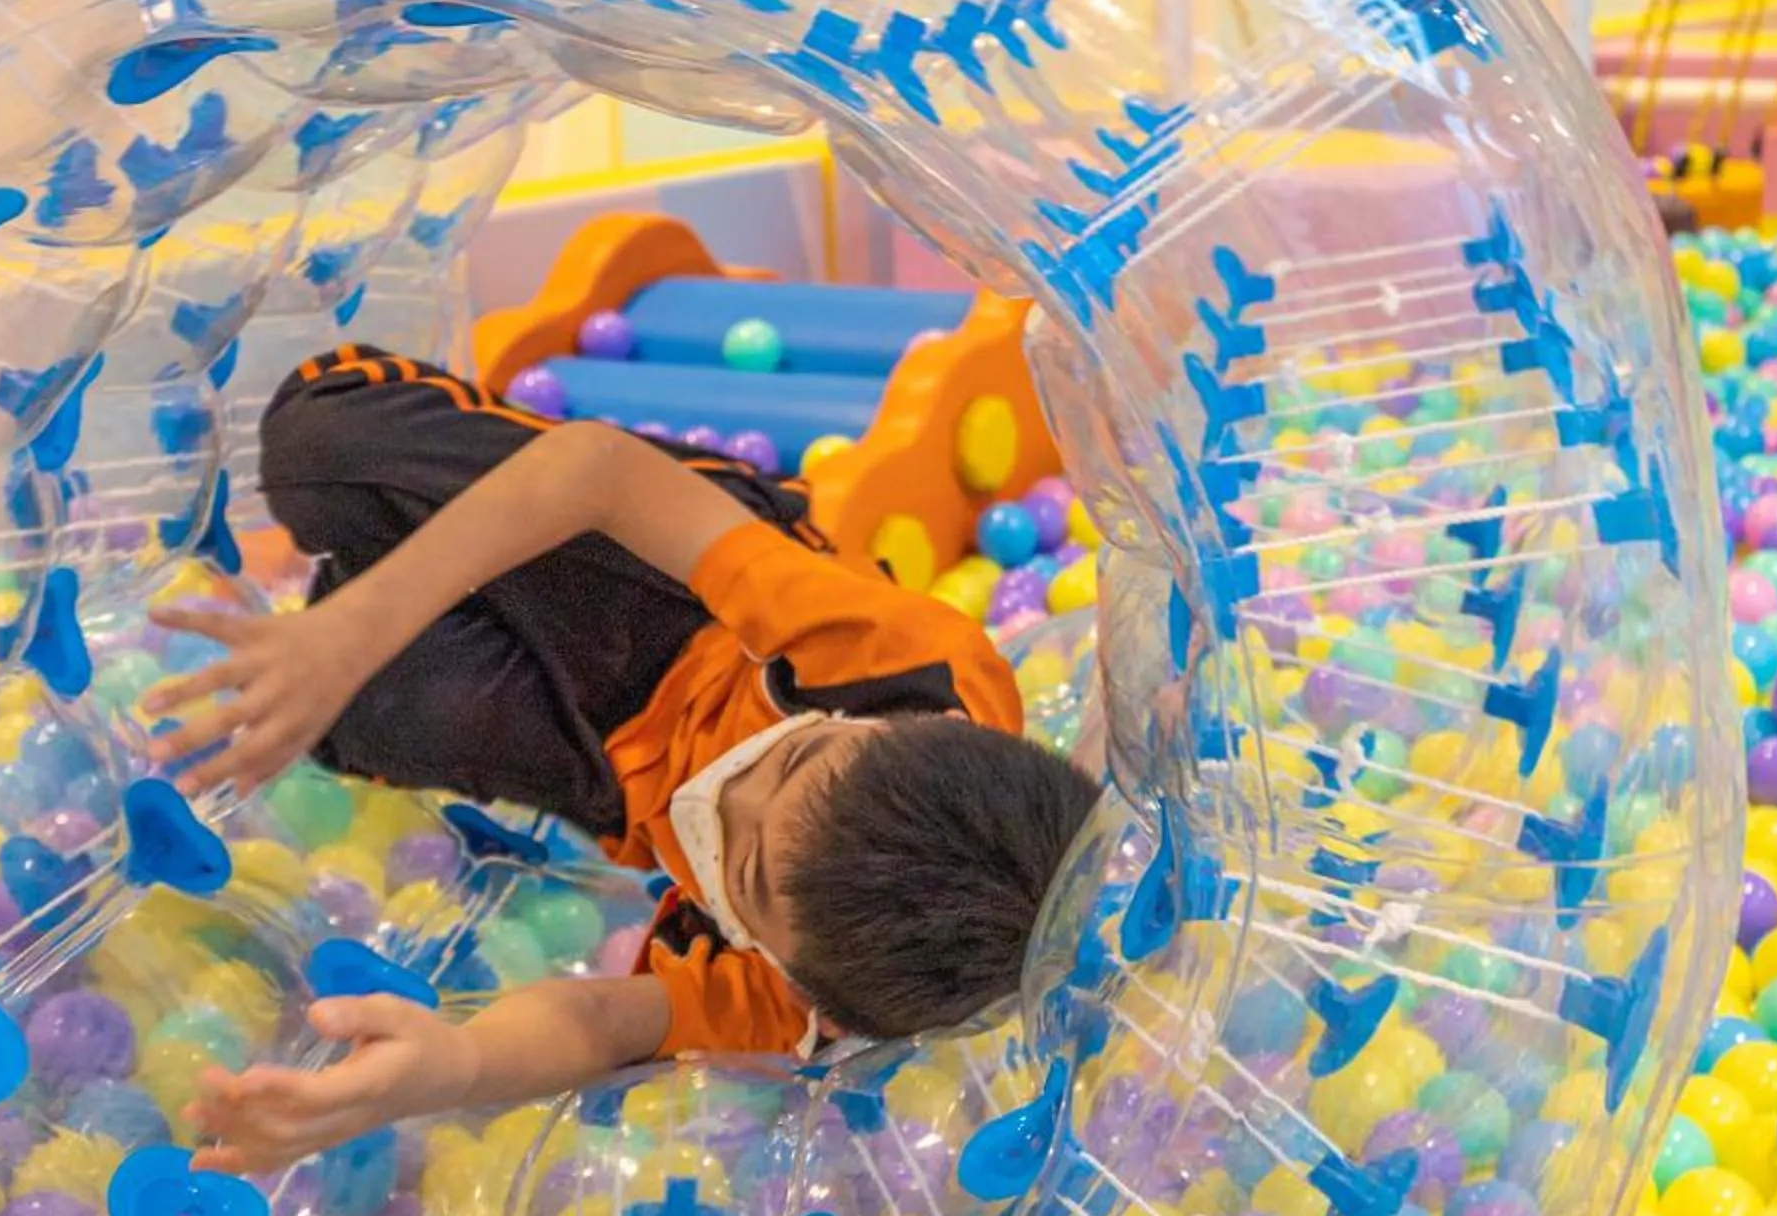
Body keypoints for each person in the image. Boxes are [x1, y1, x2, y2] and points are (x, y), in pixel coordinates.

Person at [146, 345, 1101, 1173]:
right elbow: (600, 474)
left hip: (614, 769)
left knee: (342, 721)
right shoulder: (899, 655)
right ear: (895, 729)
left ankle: (418, 570)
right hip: (679, 608)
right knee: (321, 448)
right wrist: (357, 626)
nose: (726, 799)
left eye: (744, 869)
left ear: (799, 978)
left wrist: (448, 1068)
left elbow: (605, 1024)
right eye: (791, 760)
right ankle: (427, 547)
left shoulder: (797, 999)